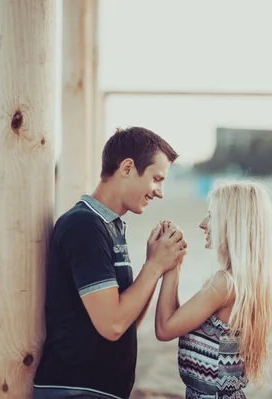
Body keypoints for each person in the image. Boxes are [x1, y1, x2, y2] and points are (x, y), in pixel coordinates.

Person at [34, 127, 188, 399]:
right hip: (75, 390)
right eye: (157, 179)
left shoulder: (110, 226)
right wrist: (153, 266)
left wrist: (156, 266)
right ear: (127, 167)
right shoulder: (84, 225)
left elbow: (127, 321)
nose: (160, 192)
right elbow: (112, 325)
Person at [154, 179, 272, 399]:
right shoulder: (244, 281)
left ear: (233, 224)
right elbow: (180, 323)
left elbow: (165, 329)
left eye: (212, 216)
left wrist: (166, 267)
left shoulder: (224, 284)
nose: (203, 224)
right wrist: (175, 264)